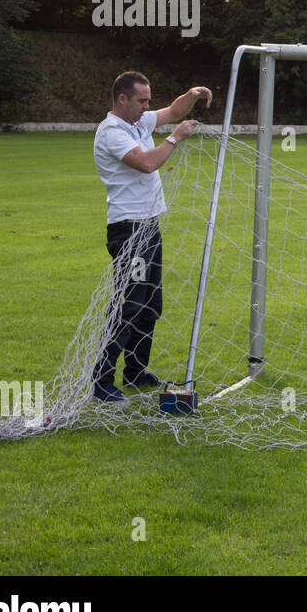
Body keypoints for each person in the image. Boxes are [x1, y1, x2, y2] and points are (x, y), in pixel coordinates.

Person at [92, 72, 211, 403]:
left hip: (148, 228)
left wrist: (192, 92)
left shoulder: (137, 122)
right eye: (141, 100)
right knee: (129, 305)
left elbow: (173, 111)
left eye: (148, 100)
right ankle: (101, 382)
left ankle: (135, 371)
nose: (147, 106)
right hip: (128, 232)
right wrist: (174, 138)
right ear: (122, 99)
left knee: (150, 305)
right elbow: (146, 163)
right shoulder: (112, 133)